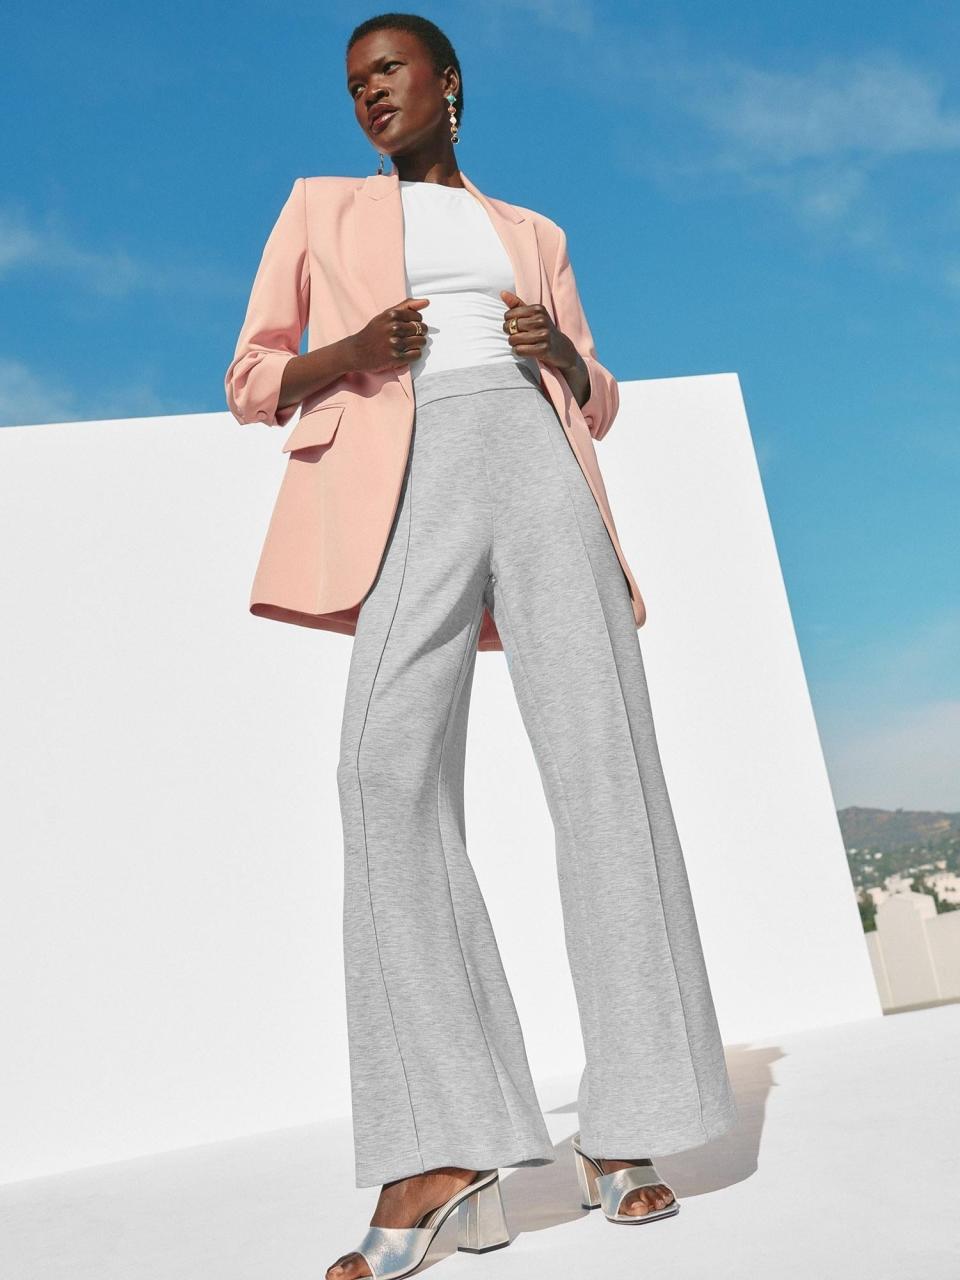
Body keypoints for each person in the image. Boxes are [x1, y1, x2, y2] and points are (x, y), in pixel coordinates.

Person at [225, 15, 739, 1280]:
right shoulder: (319, 211)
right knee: (379, 772)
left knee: (606, 778)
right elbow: (248, 375)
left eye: (388, 74)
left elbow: (598, 396)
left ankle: (630, 1125)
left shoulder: (536, 234)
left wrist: (565, 355)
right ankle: (449, 1142)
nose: (369, 98)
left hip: (540, 467)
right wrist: (347, 353)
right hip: (411, 472)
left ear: (447, 86)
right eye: (354, 86)